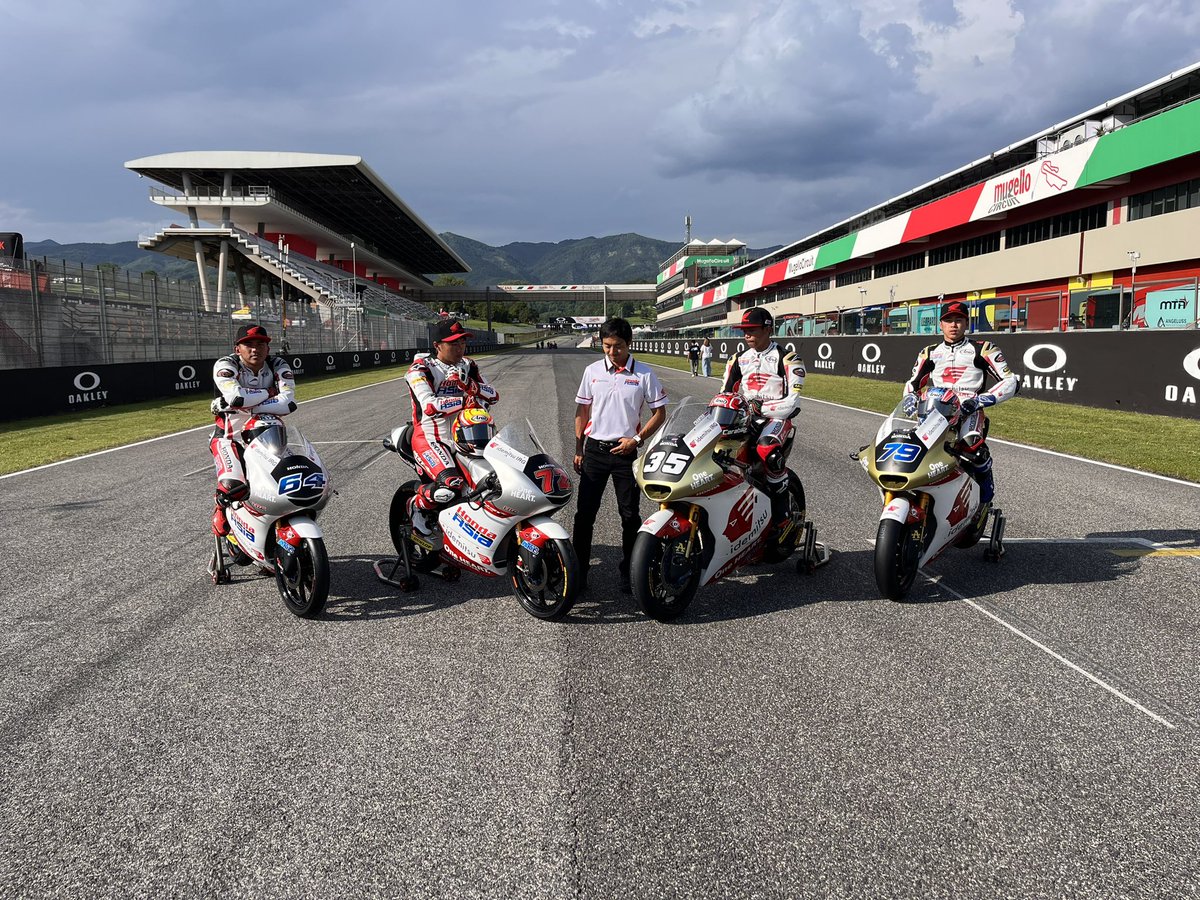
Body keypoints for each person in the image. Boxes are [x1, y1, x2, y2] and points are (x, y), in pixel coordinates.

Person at [573, 318, 668, 594]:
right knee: (584, 516)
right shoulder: (592, 371)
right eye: (606, 346)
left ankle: (630, 571)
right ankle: (580, 571)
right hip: (594, 451)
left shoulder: (645, 374)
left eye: (618, 347)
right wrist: (579, 448)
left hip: (626, 453)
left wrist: (637, 440)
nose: (612, 352)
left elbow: (660, 413)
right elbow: (582, 412)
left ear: (629, 344)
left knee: (629, 516)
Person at [902, 300, 1019, 519]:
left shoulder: (983, 349)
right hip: (935, 410)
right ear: (941, 325)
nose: (953, 325)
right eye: (948, 320)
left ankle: (984, 502)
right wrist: (909, 396)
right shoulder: (928, 352)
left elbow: (1011, 381)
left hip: (969, 410)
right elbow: (913, 382)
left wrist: (983, 399)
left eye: (959, 320)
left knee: (973, 451)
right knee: (918, 451)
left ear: (967, 323)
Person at [405, 319, 500, 532]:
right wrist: (463, 399)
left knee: (491, 482)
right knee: (450, 486)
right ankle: (416, 506)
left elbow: (494, 395)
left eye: (463, 343)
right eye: (453, 343)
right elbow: (429, 406)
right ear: (438, 345)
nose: (460, 348)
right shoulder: (421, 369)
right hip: (431, 437)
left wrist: (469, 385)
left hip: (468, 436)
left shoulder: (468, 365)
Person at [721, 307, 807, 538]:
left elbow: (793, 403)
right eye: (744, 330)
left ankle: (782, 516)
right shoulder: (737, 359)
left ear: (768, 329)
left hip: (776, 418)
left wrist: (761, 408)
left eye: (752, 330)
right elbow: (725, 394)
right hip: (745, 418)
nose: (746, 335)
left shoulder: (788, 358)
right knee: (718, 450)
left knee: (767, 449)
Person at [209, 324, 297, 535]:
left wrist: (243, 404)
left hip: (269, 435)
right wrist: (270, 392)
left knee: (281, 488)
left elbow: (288, 403)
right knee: (233, 486)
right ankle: (221, 508)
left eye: (261, 344)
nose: (255, 349)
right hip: (230, 437)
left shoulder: (278, 364)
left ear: (268, 348)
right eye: (248, 344)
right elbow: (236, 397)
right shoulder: (226, 364)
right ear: (237, 348)